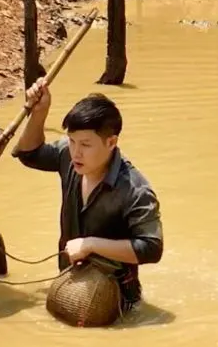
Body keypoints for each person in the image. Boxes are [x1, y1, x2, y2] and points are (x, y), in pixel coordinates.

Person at [10, 77, 163, 312]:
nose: (76, 152)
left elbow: (151, 249)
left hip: (116, 301)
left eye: (86, 144)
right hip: (68, 286)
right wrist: (39, 112)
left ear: (111, 142)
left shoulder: (135, 190)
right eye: (72, 141)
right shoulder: (68, 156)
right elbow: (29, 154)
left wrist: (91, 245)